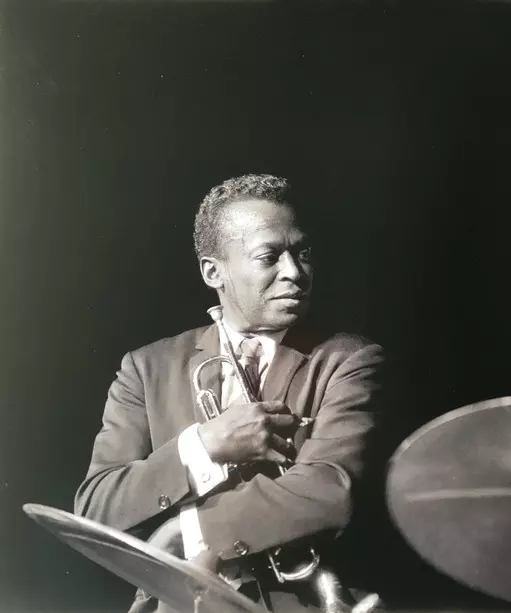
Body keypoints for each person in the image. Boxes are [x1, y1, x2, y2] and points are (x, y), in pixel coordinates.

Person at [74, 173, 386, 613]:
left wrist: (191, 530)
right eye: (269, 257)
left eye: (303, 253)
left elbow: (332, 486)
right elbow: (96, 509)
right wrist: (205, 446)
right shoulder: (145, 368)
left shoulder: (348, 358)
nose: (295, 272)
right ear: (213, 272)